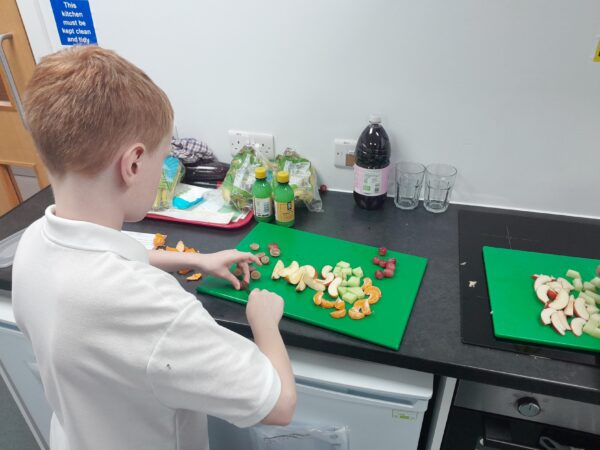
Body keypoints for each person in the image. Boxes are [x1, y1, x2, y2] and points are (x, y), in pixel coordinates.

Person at [12, 45, 296, 450]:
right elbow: (280, 404)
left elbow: (97, 262)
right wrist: (263, 318)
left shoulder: (34, 242)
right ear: (133, 164)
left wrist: (196, 259)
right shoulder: (153, 307)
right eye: (164, 160)